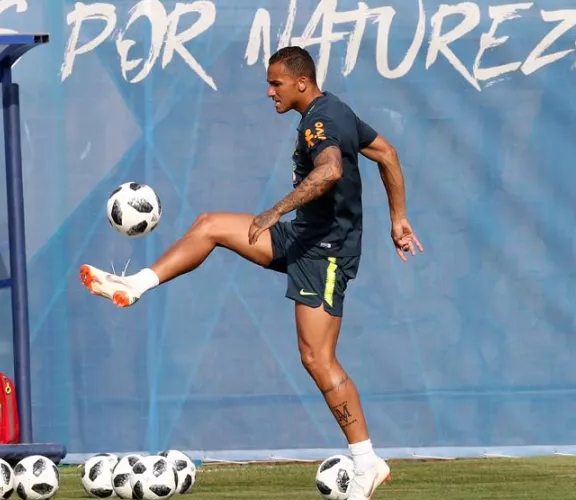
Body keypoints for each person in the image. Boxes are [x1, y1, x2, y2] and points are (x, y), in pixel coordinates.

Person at [79, 46, 423, 499]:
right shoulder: (334, 111)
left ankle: (366, 462)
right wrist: (397, 217)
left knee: (317, 359)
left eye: (275, 83)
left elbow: (331, 172)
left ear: (302, 82)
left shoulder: (322, 120)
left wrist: (273, 211)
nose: (269, 91)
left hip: (325, 254)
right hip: (302, 236)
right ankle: (135, 285)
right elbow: (388, 152)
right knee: (210, 226)